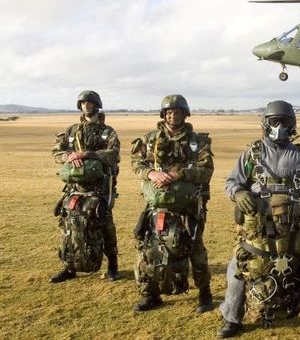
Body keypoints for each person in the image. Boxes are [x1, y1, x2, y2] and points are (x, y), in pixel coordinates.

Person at [217, 100, 300, 339]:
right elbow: (231, 182)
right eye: (275, 121)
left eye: (284, 122)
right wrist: (239, 192)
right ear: (265, 123)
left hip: (297, 230)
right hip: (257, 232)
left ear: (292, 125)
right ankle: (231, 319)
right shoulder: (251, 154)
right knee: (237, 271)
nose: (279, 127)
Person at [130, 94, 214, 313]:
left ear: (184, 114)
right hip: (157, 205)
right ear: (163, 115)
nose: (172, 116)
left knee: (195, 248)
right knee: (148, 247)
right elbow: (137, 163)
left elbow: (206, 171)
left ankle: (204, 293)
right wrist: (151, 174)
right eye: (169, 112)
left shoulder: (198, 142)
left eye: (177, 112)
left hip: (189, 205)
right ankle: (150, 294)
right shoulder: (151, 139)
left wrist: (179, 174)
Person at [50, 90, 120, 283]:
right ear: (79, 106)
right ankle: (69, 267)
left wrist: (87, 154)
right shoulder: (71, 131)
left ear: (96, 105)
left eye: (90, 103)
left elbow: (113, 154)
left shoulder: (107, 132)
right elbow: (56, 153)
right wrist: (69, 156)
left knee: (105, 225)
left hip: (100, 189)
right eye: (83, 103)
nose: (86, 106)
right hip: (74, 188)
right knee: (68, 225)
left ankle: (113, 265)